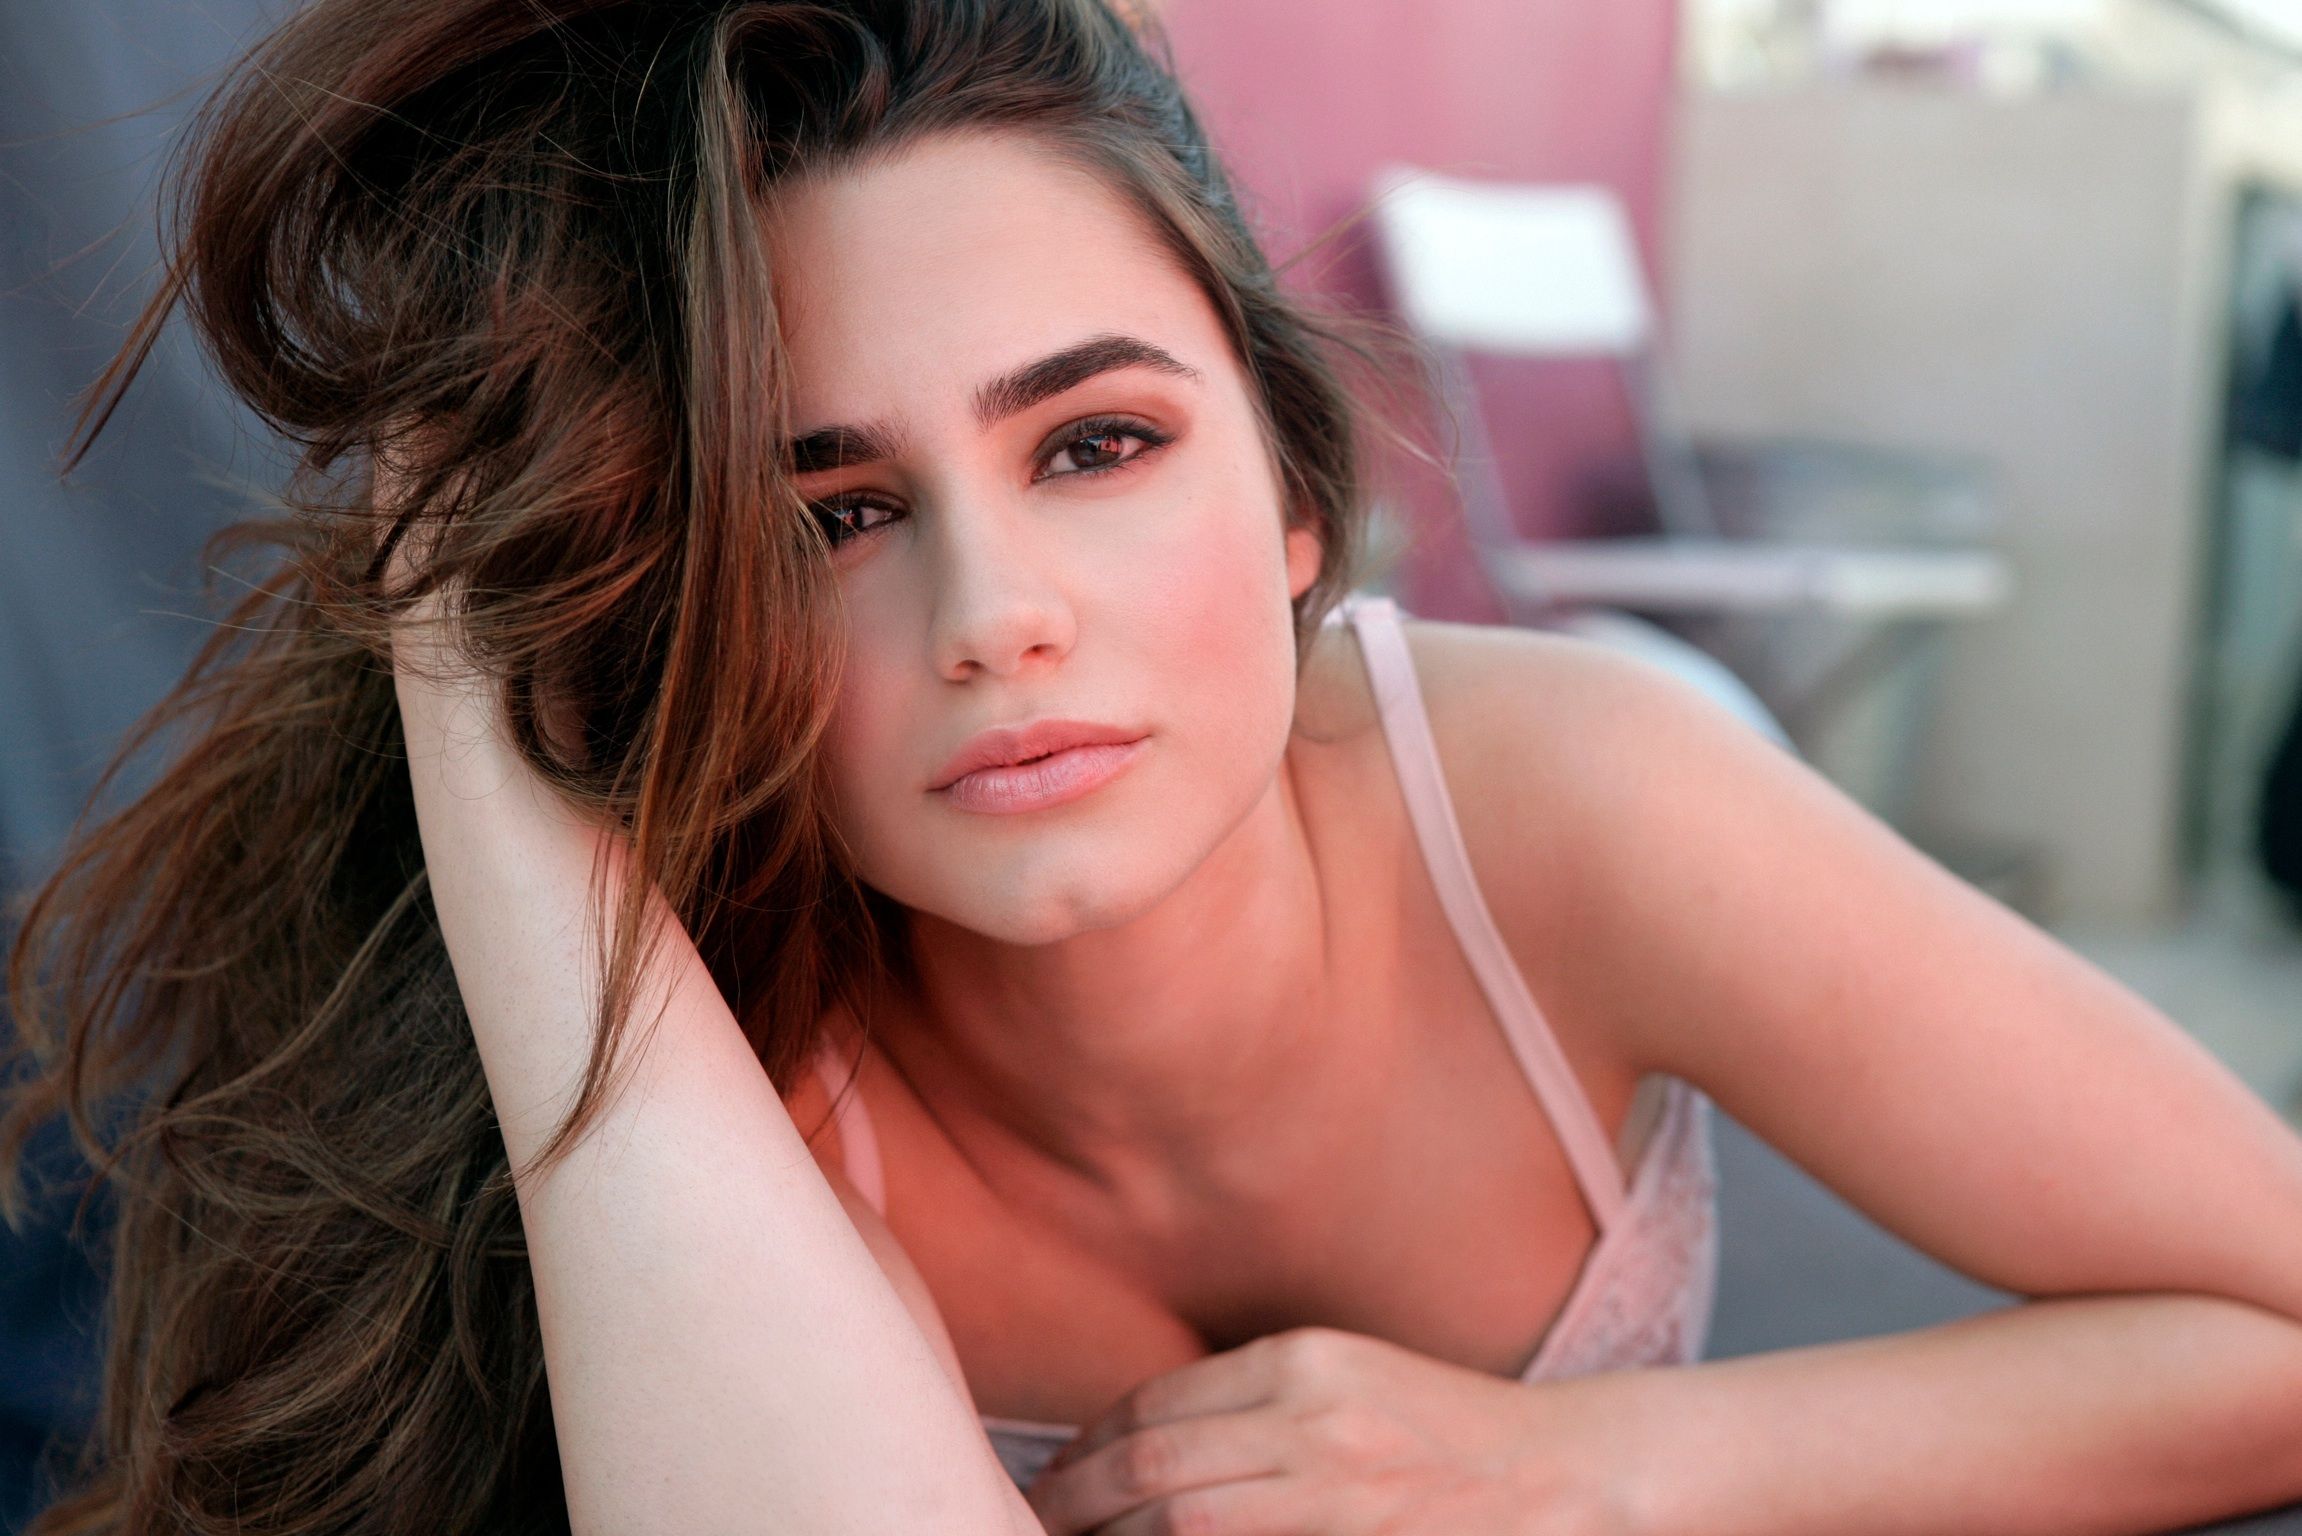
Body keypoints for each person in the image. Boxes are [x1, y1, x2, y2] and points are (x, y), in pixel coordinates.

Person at [8, 0, 2302, 1531]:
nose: (991, 614)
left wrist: (1576, 1474)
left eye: (1094, 443)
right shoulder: (740, 1041)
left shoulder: (1574, 799)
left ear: (1294, 503)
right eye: (828, 517)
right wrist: (498, 771)